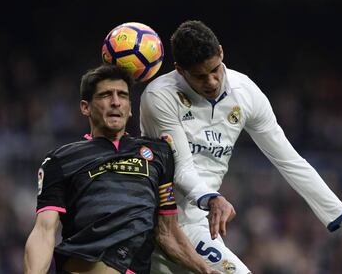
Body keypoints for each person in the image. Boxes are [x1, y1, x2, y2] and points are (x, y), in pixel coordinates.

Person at [139, 20, 342, 273]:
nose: (212, 81)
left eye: (215, 69)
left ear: (221, 52)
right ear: (180, 70)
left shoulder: (246, 93)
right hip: (162, 219)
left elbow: (290, 162)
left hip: (197, 223)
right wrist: (212, 198)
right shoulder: (159, 96)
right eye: (200, 76)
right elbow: (181, 168)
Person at [24, 64, 222, 274]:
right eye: (105, 95)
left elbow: (167, 232)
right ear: (85, 107)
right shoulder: (60, 160)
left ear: (129, 109)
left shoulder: (159, 154)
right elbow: (44, 230)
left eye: (122, 96)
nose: (116, 102)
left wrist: (206, 270)